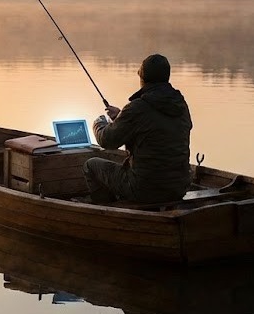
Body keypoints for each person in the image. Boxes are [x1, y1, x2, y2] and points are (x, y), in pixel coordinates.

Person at [82, 53, 192, 204]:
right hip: (179, 187)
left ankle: (107, 211)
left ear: (143, 79)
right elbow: (155, 128)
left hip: (144, 188)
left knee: (91, 165)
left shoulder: (138, 108)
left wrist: (99, 123)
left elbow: (107, 140)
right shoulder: (180, 105)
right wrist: (121, 116)